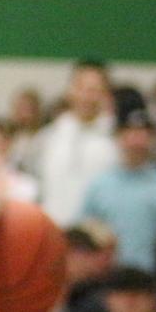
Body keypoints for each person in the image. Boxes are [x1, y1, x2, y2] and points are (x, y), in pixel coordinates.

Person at [79, 91, 156, 272]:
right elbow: (86, 235)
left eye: (143, 133)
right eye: (129, 133)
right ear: (117, 137)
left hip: (154, 278)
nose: (136, 140)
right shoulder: (100, 185)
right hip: (109, 280)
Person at [33, 61, 118, 228]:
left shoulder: (116, 141)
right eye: (81, 88)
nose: (87, 96)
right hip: (51, 233)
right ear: (69, 91)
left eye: (95, 90)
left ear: (106, 94)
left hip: (96, 240)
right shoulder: (47, 137)